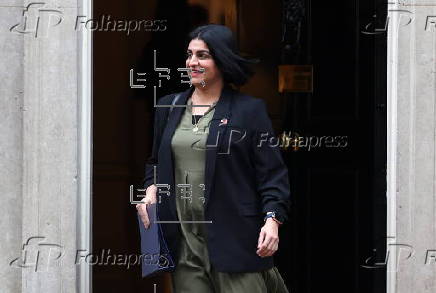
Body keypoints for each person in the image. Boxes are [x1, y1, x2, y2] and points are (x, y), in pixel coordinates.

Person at [136, 24, 291, 293]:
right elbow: (155, 162)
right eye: (189, 54)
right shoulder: (169, 107)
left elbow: (272, 175)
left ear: (222, 60)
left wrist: (272, 220)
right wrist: (151, 188)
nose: (192, 62)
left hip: (237, 242)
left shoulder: (249, 111)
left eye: (202, 55)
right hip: (185, 247)